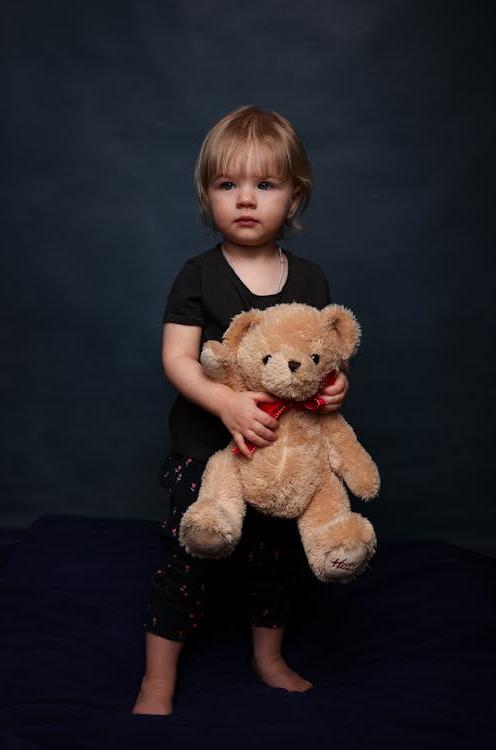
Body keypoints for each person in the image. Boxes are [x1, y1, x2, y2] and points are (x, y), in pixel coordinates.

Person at [132, 106, 349, 715]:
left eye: (265, 185)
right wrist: (225, 401)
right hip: (208, 455)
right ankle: (157, 679)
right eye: (228, 185)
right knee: (189, 562)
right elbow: (177, 359)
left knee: (275, 565)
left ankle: (268, 657)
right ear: (207, 195)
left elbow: (324, 356)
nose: (245, 200)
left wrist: (336, 389)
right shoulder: (197, 276)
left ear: (295, 196)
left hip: (283, 462)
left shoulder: (309, 278)